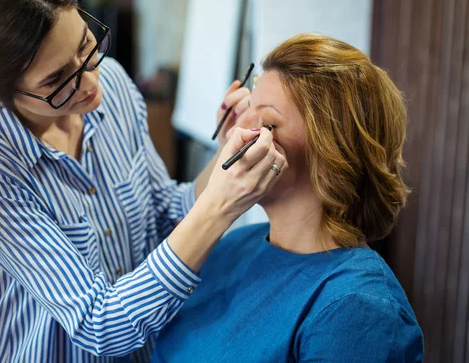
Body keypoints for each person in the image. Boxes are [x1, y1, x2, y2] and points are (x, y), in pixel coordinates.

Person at [0, 0, 286, 362]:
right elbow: (99, 323)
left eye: (84, 45)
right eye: (58, 81)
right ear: (1, 93)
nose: (91, 82)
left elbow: (165, 211)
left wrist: (224, 156)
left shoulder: (112, 84)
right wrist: (220, 207)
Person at [152, 34, 424, 362]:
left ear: (330, 155)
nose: (237, 131)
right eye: (246, 110)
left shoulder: (357, 307)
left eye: (267, 122)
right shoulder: (234, 245)